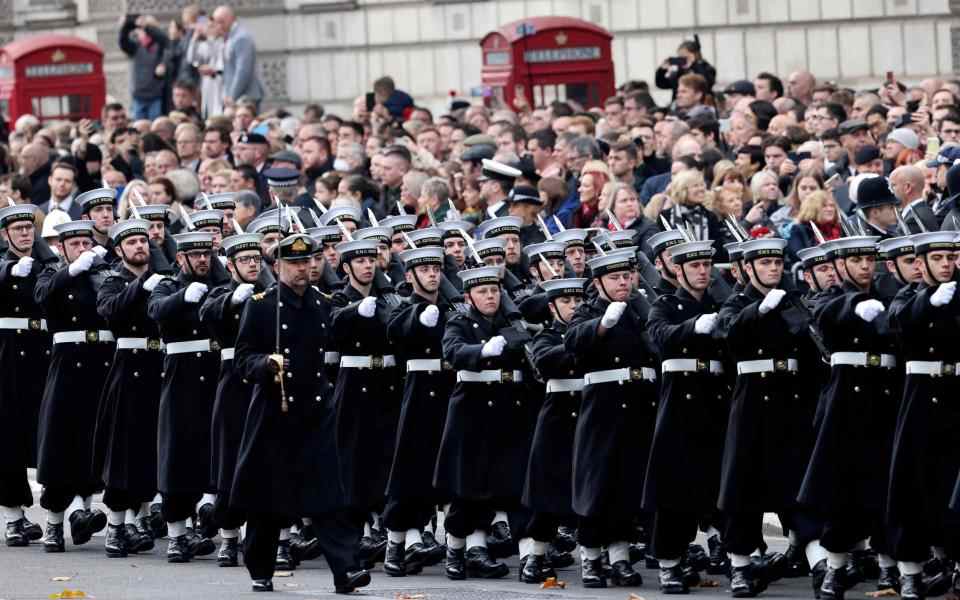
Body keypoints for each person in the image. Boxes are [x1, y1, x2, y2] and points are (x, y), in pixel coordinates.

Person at [231, 232, 371, 593]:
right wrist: (266, 363)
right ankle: (260, 566)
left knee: (328, 494)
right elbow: (243, 358)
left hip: (315, 410)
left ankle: (346, 570)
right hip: (275, 410)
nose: (303, 269)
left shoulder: (322, 303)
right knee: (268, 497)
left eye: (308, 262)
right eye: (294, 263)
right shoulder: (261, 306)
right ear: (276, 266)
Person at [716, 237, 818, 598]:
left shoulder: (790, 299)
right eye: (764, 264)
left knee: (798, 485)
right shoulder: (736, 302)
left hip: (789, 402)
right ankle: (741, 565)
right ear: (747, 269)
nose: (773, 269)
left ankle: (819, 560)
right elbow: (727, 334)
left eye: (777, 263)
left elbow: (809, 349)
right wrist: (757, 312)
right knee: (742, 488)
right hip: (751, 404)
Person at [801, 234, 901, 600]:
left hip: (885, 398)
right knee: (842, 490)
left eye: (867, 260)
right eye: (855, 261)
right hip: (845, 403)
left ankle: (892, 568)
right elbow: (825, 316)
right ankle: (836, 567)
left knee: (886, 488)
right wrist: (856, 304)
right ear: (841, 265)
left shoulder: (889, 291)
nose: (863, 266)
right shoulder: (830, 297)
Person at [565, 249, 658, 588]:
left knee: (625, 485)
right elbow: (573, 340)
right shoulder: (588, 310)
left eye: (627, 276)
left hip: (637, 406)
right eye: (615, 278)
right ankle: (590, 558)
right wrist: (601, 325)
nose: (623, 283)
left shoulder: (640, 308)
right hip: (603, 409)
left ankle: (619, 559)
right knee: (597, 485)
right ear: (598, 282)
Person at [644, 238, 729, 594]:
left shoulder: (721, 303)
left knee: (715, 485)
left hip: (716, 402)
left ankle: (728, 552)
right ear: (677, 270)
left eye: (706, 266)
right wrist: (693, 327)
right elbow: (658, 337)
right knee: (674, 489)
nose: (702, 271)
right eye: (694, 266)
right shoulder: (663, 305)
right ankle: (669, 563)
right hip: (679, 404)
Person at [434, 265, 524, 581]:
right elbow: (453, 350)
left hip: (505, 415)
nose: (490, 296)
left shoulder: (511, 322)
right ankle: (456, 551)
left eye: (494, 291)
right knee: (466, 490)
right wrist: (481, 350)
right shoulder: (460, 322)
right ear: (470, 296)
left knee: (498, 488)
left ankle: (482, 550)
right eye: (483, 291)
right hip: (470, 417)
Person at [887, 231, 960, 599]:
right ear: (921, 264)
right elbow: (897, 324)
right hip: (920, 397)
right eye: (938, 258)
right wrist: (929, 303)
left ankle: (952, 564)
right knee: (912, 486)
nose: (947, 264)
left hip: (955, 396)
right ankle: (910, 571)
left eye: (952, 257)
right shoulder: (909, 296)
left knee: (952, 487)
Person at [35, 219, 115, 553]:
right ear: (63, 248)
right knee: (59, 443)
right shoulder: (52, 274)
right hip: (67, 366)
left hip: (100, 365)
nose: (82, 250)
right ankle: (53, 524)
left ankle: (83, 512)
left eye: (86, 244)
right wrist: (70, 272)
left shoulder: (104, 275)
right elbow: (42, 295)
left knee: (92, 442)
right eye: (75, 245)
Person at [94, 218, 169, 557]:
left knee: (150, 449)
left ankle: (138, 522)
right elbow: (109, 310)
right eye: (132, 242)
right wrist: (141, 287)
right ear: (119, 250)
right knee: (122, 450)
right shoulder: (112, 281)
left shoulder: (164, 280)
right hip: (127, 370)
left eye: (143, 241)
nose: (140, 246)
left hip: (158, 367)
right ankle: (115, 526)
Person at [382, 246, 457, 576]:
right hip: (416, 395)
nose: (432, 274)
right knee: (408, 474)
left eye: (435, 268)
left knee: (444, 473)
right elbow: (394, 332)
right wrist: (417, 317)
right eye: (424, 270)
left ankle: (446, 543)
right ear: (410, 276)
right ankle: (395, 543)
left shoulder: (452, 307)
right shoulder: (402, 308)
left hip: (448, 392)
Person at [147, 230, 220, 562]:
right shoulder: (169, 285)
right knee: (177, 453)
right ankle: (177, 534)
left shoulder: (221, 283)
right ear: (181, 259)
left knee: (211, 447)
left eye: (207, 254)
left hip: (215, 375)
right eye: (196, 255)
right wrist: (183, 297)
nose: (203, 260)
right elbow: (156, 309)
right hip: (181, 377)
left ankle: (206, 517)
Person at [329, 237, 403, 567]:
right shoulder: (340, 297)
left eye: (371, 260)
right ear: (346, 268)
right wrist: (353, 311)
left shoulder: (387, 296)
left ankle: (378, 529)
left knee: (383, 458)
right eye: (360, 261)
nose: (368, 265)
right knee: (353, 461)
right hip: (355, 385)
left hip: (384, 383)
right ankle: (353, 534)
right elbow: (331, 323)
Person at [197, 232, 264, 567]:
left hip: (263, 382)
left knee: (262, 462)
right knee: (228, 462)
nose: (253, 265)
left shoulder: (269, 293)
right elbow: (206, 314)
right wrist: (233, 301)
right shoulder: (222, 292)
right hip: (233, 384)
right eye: (245, 260)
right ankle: (228, 536)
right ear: (231, 265)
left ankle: (264, 537)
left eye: (256, 259)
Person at [520, 277, 586, 583]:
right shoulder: (546, 336)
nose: (572, 307)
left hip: (588, 414)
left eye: (577, 301)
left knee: (589, 489)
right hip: (557, 417)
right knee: (546, 492)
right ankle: (536, 554)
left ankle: (595, 557)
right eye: (565, 302)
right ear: (552, 306)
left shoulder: (591, 331)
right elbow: (545, 362)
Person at [0, 203, 54, 547]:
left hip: (43, 353)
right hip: (7, 357)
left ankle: (57, 512)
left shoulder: (47, 262)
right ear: (6, 234)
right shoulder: (4, 264)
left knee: (49, 433)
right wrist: (9, 271)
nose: (24, 232)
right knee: (6, 437)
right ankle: (14, 518)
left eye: (28, 227)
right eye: (17, 228)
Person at [212, 5, 264, 111]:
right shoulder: (229, 37)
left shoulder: (241, 38)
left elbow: (243, 70)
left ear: (232, 19)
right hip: (237, 97)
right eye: (216, 22)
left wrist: (232, 96)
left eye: (221, 22)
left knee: (253, 127)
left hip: (245, 96)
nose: (218, 26)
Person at [118, 14, 170, 120]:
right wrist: (128, 24)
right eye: (140, 30)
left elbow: (163, 39)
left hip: (156, 96)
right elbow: (123, 41)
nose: (141, 33)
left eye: (146, 29)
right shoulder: (135, 46)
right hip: (138, 97)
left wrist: (146, 26)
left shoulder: (161, 46)